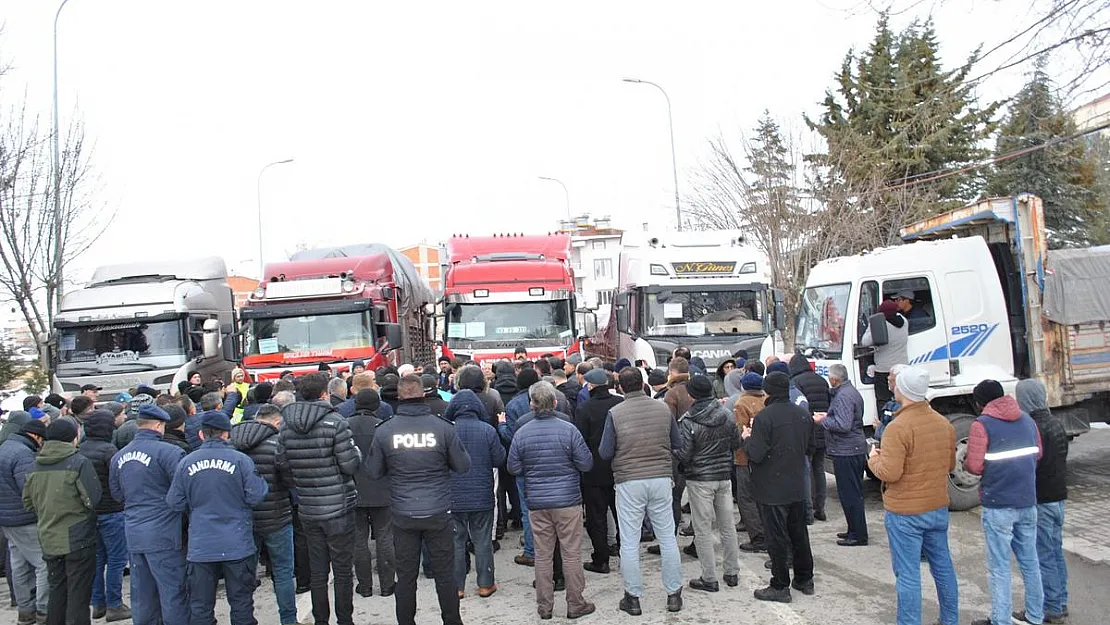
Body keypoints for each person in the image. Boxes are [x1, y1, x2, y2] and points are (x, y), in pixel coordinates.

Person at [366, 374, 471, 625]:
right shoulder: (443, 428)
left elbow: (372, 471)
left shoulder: (385, 430)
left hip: (403, 514)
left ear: (399, 396)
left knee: (406, 577)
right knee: (446, 575)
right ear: (423, 394)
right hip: (438, 512)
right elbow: (463, 466)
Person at [867, 366, 958, 625]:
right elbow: (950, 465)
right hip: (937, 506)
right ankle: (950, 619)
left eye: (896, 385)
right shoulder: (943, 423)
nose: (892, 387)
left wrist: (873, 459)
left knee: (907, 575)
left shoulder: (898, 427)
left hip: (905, 512)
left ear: (903, 390)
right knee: (943, 567)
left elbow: (890, 472)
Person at [167, 411, 268, 625]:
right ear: (226, 434)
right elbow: (257, 494)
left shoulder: (186, 463)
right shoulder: (241, 460)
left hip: (201, 545)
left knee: (201, 606)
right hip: (236, 542)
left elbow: (174, 502)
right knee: (241, 602)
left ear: (202, 435)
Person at [599, 368, 684, 616]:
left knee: (629, 541)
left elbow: (605, 452)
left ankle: (633, 597)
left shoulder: (615, 413)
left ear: (622, 387)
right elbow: (677, 444)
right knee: (667, 537)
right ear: (643, 383)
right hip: (660, 478)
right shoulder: (662, 409)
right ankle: (673, 594)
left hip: (629, 480)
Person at [508, 381, 595, 620]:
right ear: (555, 403)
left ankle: (545, 606)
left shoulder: (522, 432)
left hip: (537, 502)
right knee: (571, 553)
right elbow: (586, 463)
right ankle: (575, 603)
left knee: (543, 555)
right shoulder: (569, 429)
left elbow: (513, 467)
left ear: (531, 405)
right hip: (567, 501)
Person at [279, 372, 361, 625]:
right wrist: (355, 452)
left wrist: (302, 484)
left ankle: (320, 619)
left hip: (308, 505)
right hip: (338, 504)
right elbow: (349, 464)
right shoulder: (335, 422)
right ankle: (345, 619)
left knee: (317, 569)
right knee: (343, 569)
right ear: (325, 394)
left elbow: (282, 464)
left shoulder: (286, 425)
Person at [966, 380, 1044, 625]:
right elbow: (1038, 454)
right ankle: (1034, 615)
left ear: (981, 402)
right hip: (1027, 501)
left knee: (999, 567)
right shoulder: (1028, 421)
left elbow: (974, 466)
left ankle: (1001, 620)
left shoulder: (982, 425)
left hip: (998, 504)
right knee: (1030, 562)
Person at [109, 404, 188, 625]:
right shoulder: (170, 452)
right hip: (165, 532)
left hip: (134, 531)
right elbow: (182, 492)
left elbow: (117, 494)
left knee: (142, 593)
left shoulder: (119, 456)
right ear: (159, 425)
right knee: (173, 591)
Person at [742, 371, 815, 603]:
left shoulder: (765, 417)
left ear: (768, 391)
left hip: (772, 487)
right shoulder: (803, 414)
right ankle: (804, 579)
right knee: (799, 533)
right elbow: (810, 448)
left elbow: (756, 454)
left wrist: (747, 438)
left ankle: (780, 585)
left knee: (777, 538)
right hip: (796, 484)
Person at [22, 420, 102, 625]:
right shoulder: (78, 462)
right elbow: (93, 498)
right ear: (73, 437)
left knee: (57, 589)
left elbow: (28, 503)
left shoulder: (33, 465)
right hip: (78, 536)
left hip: (48, 535)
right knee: (78, 593)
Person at [229, 403, 301, 625]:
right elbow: (289, 482)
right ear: (276, 422)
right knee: (283, 573)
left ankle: (244, 618)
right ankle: (288, 620)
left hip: (244, 520)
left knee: (244, 575)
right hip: (277, 517)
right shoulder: (277, 445)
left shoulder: (232, 446)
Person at [678, 375, 741, 593]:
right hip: (723, 475)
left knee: (702, 528)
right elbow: (736, 442)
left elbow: (684, 454)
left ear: (692, 395)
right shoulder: (726, 414)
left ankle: (709, 577)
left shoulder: (688, 420)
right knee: (727, 525)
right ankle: (732, 572)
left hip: (699, 479)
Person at [1016, 379, 1069, 624]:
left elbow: (1033, 464)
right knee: (1055, 551)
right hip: (1058, 496)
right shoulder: (1056, 424)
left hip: (1042, 497)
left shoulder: (1033, 427)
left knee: (1044, 554)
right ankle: (1060, 600)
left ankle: (1051, 607)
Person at [446, 389, 505, 598]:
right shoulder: (487, 430)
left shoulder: (447, 430)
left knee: (455, 541)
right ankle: (485, 584)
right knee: (482, 541)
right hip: (481, 495)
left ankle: (458, 587)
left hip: (452, 496)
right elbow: (499, 459)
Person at [77, 410, 131, 621]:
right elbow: (119, 481)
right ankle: (115, 605)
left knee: (98, 560)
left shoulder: (80, 449)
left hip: (90, 514)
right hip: (112, 511)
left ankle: (98, 604)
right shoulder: (109, 450)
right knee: (117, 560)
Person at [574, 367, 624, 574]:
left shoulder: (584, 409)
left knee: (597, 517)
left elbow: (580, 440)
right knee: (622, 515)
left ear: (591, 386)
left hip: (593, 471)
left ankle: (601, 559)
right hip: (618, 467)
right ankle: (625, 554)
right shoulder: (620, 404)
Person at [347, 389, 396, 598]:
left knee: (359, 540)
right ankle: (387, 584)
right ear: (377, 406)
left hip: (353, 488)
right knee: (385, 537)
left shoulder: (344, 425)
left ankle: (364, 585)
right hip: (382, 488)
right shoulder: (384, 428)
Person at [814, 364, 868, 546]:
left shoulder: (844, 396)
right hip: (850, 448)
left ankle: (858, 534)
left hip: (847, 450)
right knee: (850, 493)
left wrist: (823, 421)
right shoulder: (849, 392)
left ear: (834, 379)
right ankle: (853, 529)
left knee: (850, 494)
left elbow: (844, 425)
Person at [0, 419, 48, 623]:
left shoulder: (5, 448)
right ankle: (45, 610)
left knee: (19, 564)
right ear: (36, 437)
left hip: (7, 518)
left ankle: (25, 611)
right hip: (25, 518)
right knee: (43, 564)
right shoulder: (23, 454)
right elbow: (30, 490)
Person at [788, 354, 829, 524]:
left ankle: (809, 510)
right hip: (823, 430)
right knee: (819, 470)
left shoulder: (797, 383)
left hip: (807, 432)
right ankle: (821, 508)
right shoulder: (822, 380)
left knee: (806, 471)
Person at [732, 371, 766, 551]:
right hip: (764, 457)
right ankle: (765, 531)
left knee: (745, 497)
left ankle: (758, 537)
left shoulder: (741, 404)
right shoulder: (766, 399)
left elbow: (740, 432)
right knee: (761, 496)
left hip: (745, 458)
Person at [861, 300, 909, 407]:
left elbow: (865, 341)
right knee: (903, 399)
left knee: (883, 400)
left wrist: (871, 325)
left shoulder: (880, 325)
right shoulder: (904, 321)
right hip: (902, 368)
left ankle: (885, 422)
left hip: (884, 370)